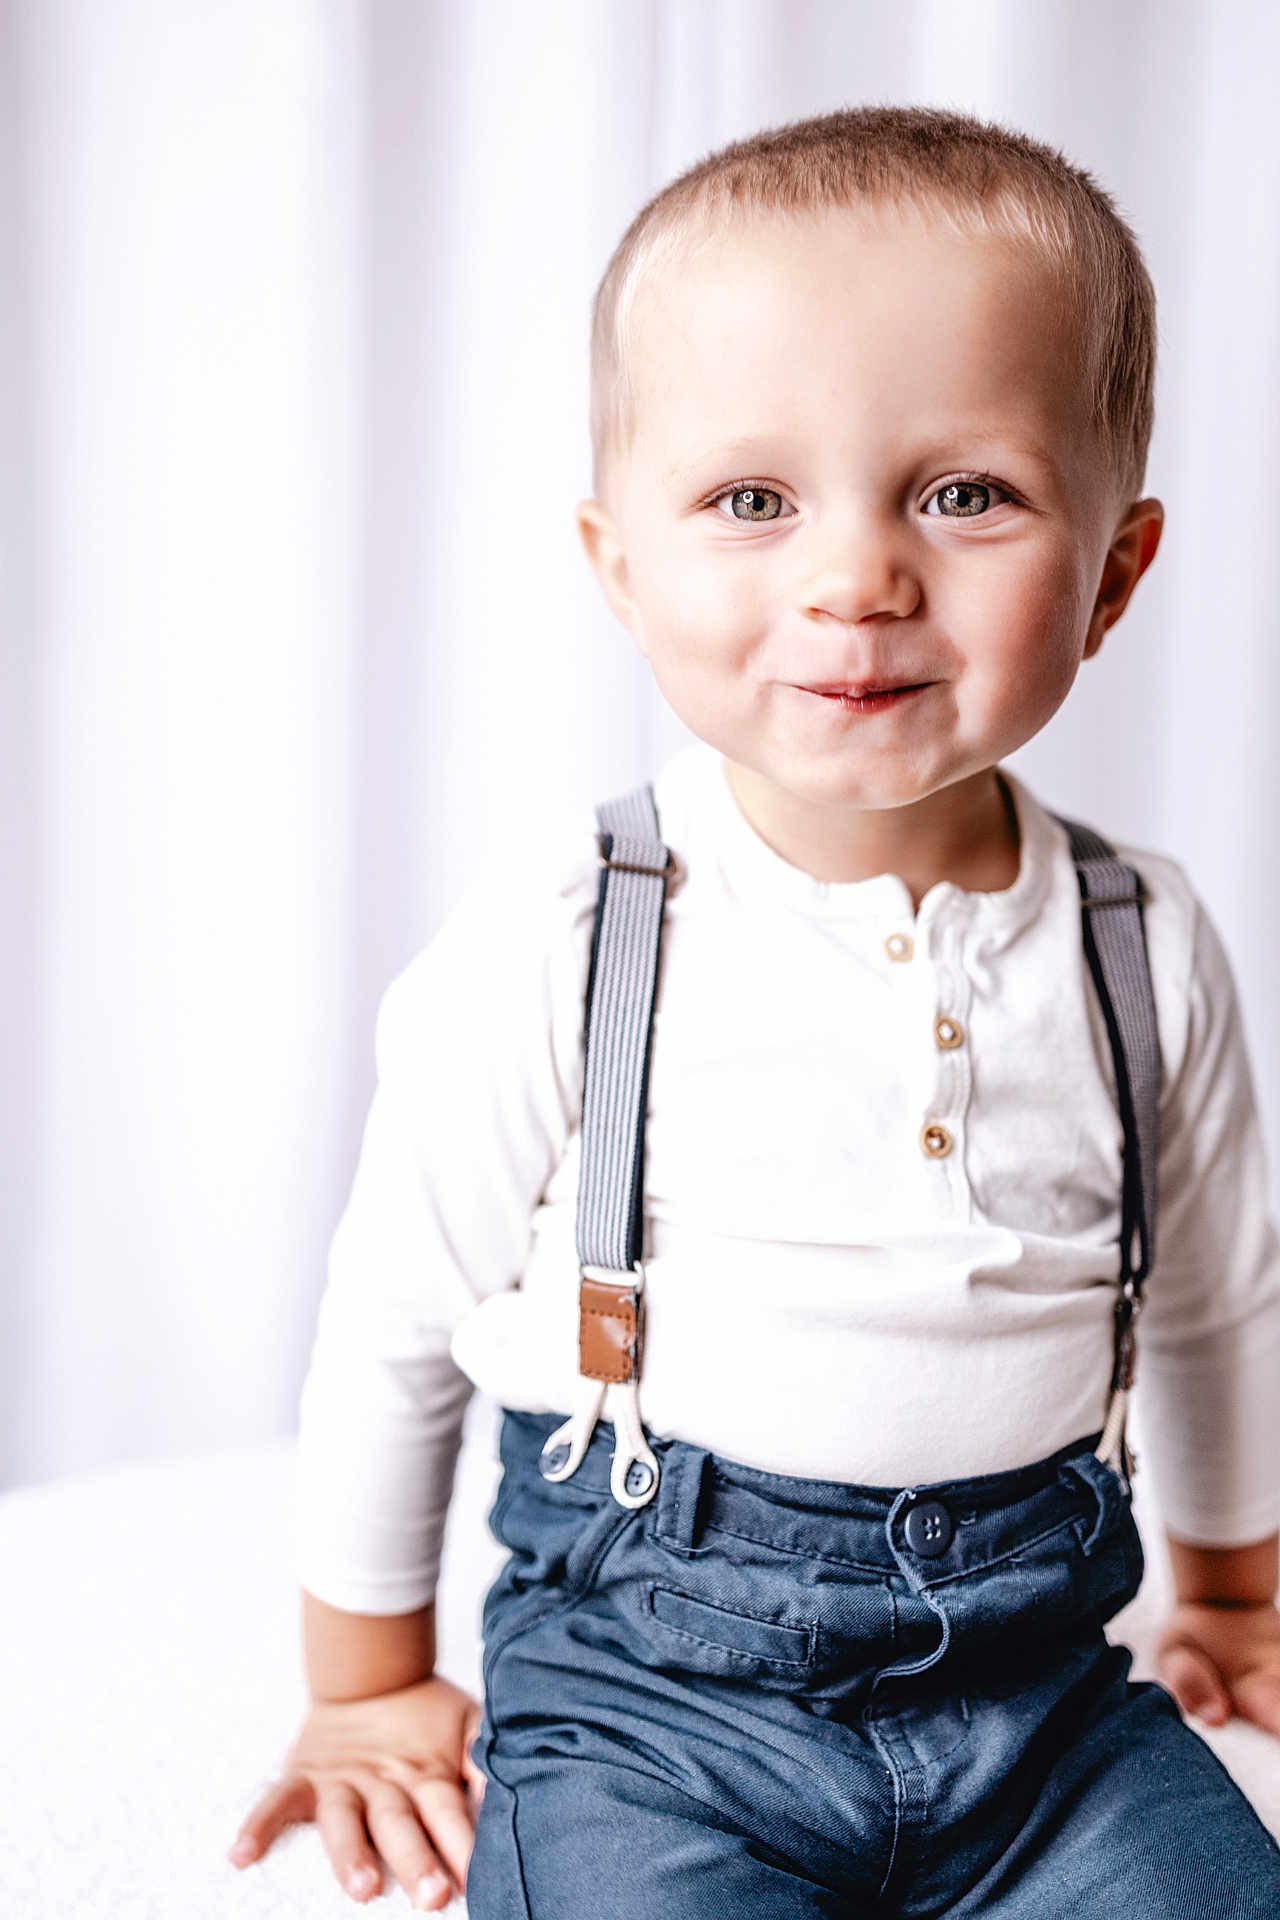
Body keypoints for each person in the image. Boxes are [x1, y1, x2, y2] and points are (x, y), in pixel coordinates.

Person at [228, 103, 1280, 1915]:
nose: (857, 575)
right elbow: (396, 1318)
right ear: (621, 560)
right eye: (751, 499)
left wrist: (1239, 1592)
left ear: (1114, 571)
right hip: (653, 1709)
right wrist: (368, 1688)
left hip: (1040, 1708)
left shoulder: (1139, 938)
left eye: (965, 493)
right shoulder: (575, 933)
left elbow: (1217, 1299)